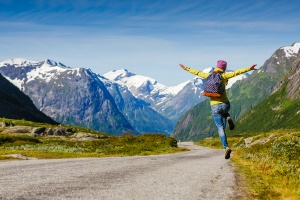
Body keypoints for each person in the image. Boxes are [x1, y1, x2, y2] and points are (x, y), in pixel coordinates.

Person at [179, 60, 257, 159]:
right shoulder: (224, 76)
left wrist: (185, 68)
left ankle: (226, 147)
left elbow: (196, 72)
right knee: (224, 111)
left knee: (220, 128)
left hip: (214, 106)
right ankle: (228, 116)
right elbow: (237, 72)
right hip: (225, 104)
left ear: (217, 67)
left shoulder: (208, 76)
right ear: (224, 68)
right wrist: (249, 68)